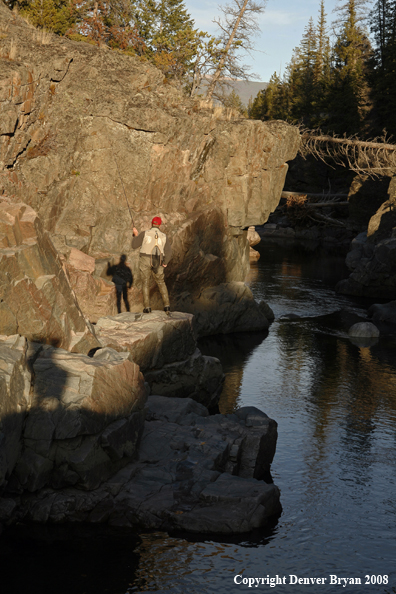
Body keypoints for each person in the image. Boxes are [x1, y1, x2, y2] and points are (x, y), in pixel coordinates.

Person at [132, 216, 171, 314]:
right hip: (159, 260)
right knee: (161, 282)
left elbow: (134, 245)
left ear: (151, 223)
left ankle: (147, 308)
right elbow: (169, 252)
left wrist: (135, 235)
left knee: (145, 283)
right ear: (160, 225)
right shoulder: (164, 236)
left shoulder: (144, 234)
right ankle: (167, 306)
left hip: (145, 259)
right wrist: (165, 262)